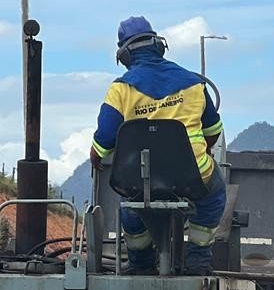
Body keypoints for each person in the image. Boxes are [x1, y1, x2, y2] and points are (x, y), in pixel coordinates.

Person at [90, 16, 226, 276]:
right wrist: (201, 153)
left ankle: (141, 263)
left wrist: (96, 156)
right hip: (192, 176)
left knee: (132, 206)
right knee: (214, 196)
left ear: (125, 56)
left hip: (141, 179)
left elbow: (103, 141)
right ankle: (197, 260)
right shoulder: (195, 84)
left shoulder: (120, 89)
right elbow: (213, 132)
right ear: (159, 46)